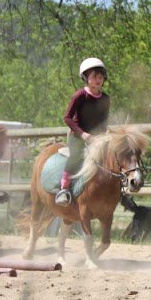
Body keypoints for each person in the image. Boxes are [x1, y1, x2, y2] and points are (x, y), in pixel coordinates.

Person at [55, 57, 111, 206]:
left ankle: (117, 190)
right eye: (94, 76)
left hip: (98, 138)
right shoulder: (79, 96)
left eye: (100, 76)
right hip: (78, 136)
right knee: (76, 155)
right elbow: (67, 118)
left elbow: (104, 121)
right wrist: (84, 134)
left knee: (114, 155)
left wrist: (104, 136)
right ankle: (64, 189)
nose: (98, 80)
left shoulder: (105, 98)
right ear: (86, 78)